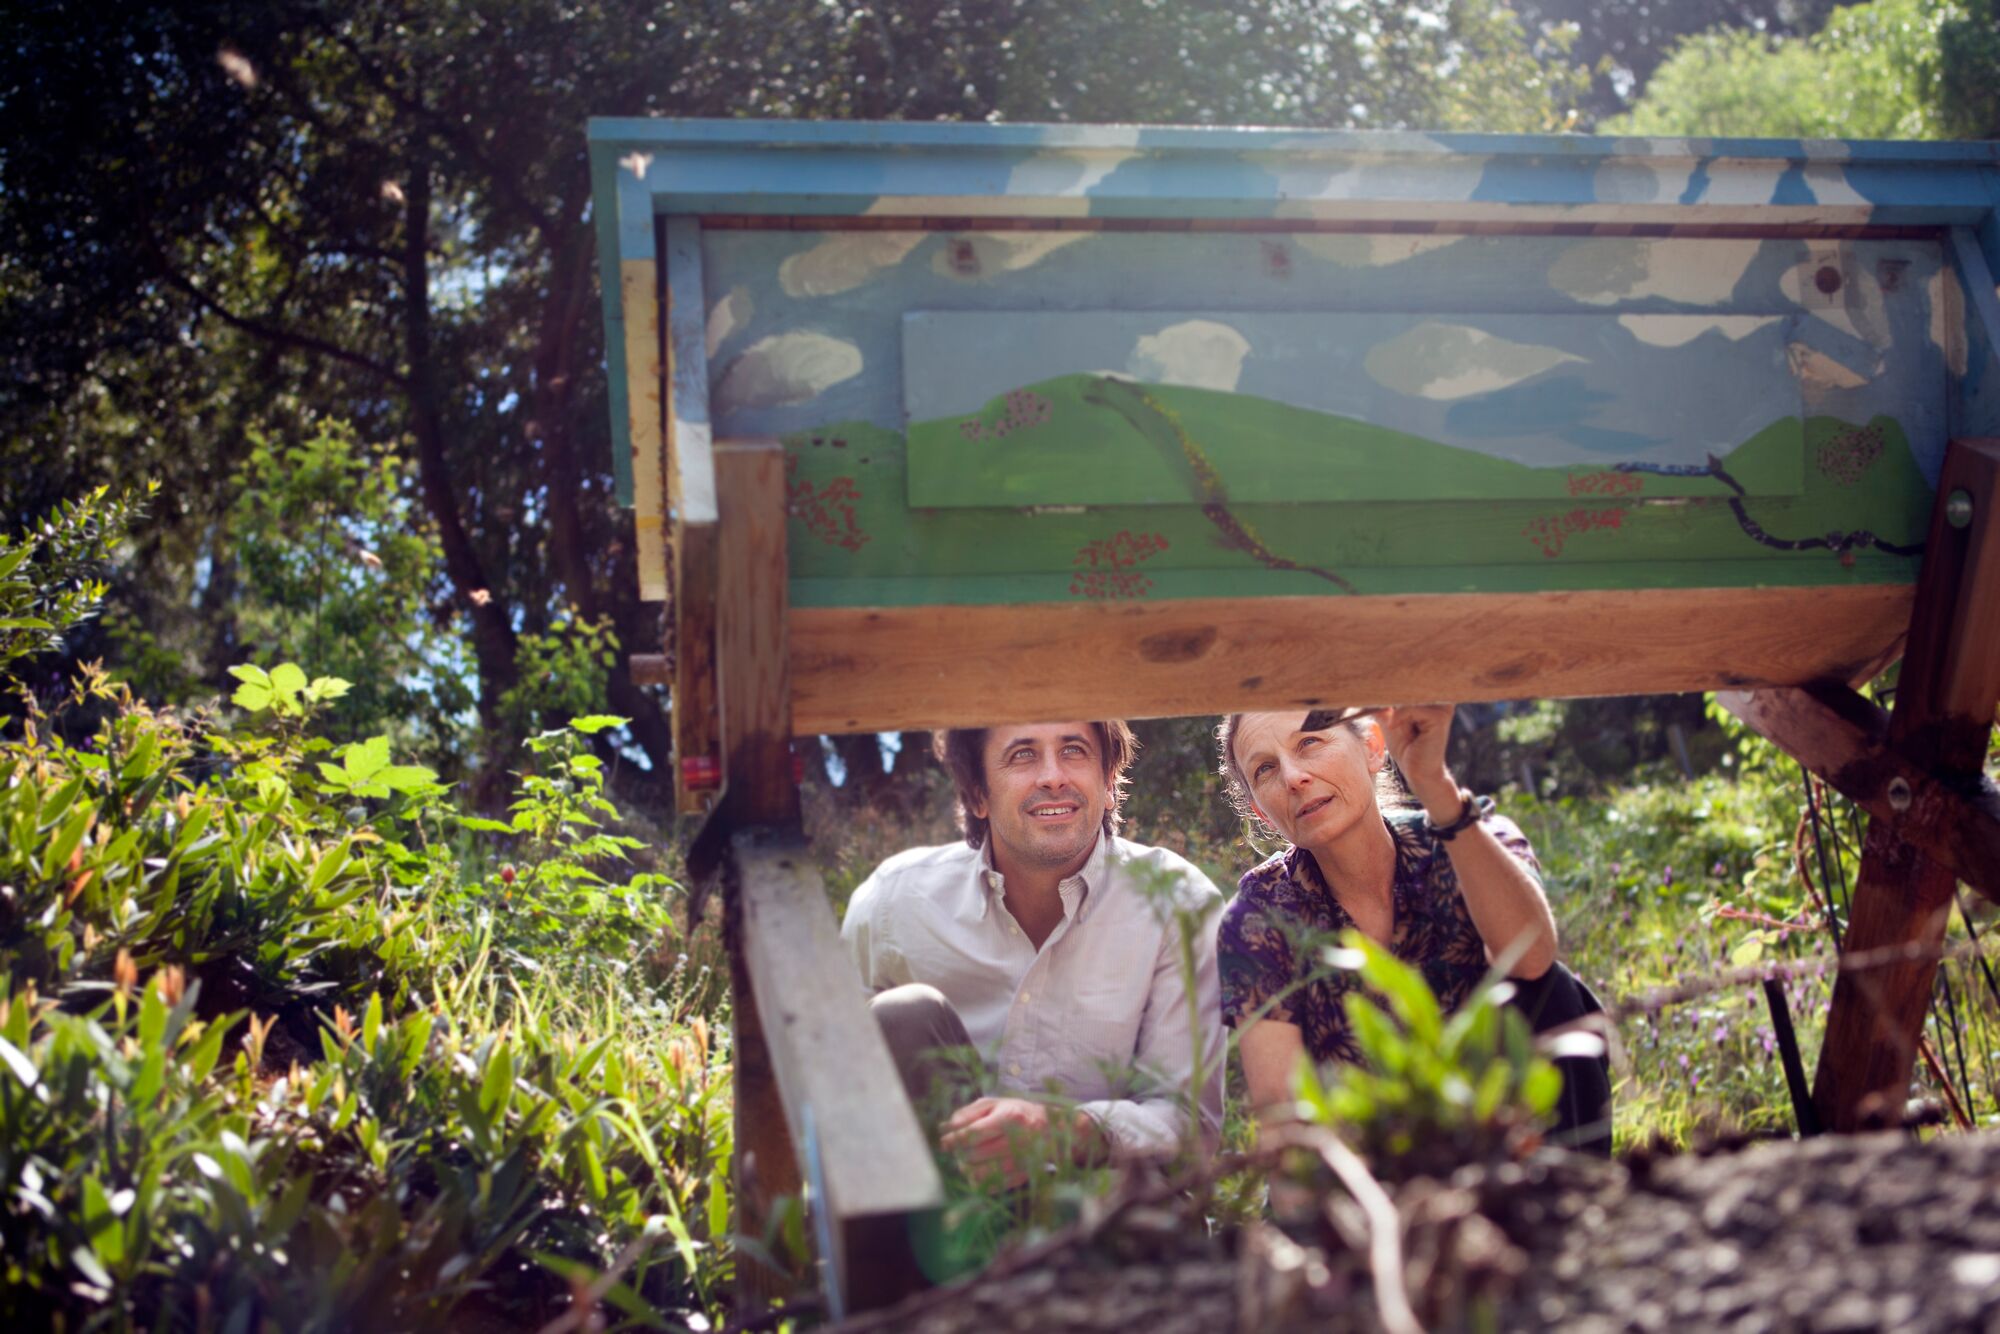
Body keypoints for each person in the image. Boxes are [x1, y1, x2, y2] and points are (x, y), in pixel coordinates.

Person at [841, 720, 1224, 1185]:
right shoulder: (894, 903)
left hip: (1112, 1215)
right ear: (977, 794)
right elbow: (835, 1093)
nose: (1052, 777)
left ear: (1107, 783)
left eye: (1075, 751)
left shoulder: (1176, 902)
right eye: (1023, 754)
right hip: (946, 1217)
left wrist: (1058, 1131)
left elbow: (1192, 1125)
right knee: (903, 1016)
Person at [1216, 705, 1612, 1154]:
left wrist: (1434, 785)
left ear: (1371, 747)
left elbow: (1532, 958)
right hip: (1368, 1172)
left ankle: (1577, 1209)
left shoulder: (1471, 840)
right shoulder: (1259, 915)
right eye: (1265, 768)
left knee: (1554, 989)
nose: (1293, 777)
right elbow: (1285, 1123)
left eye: (1310, 742)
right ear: (1261, 812)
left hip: (1507, 1144)